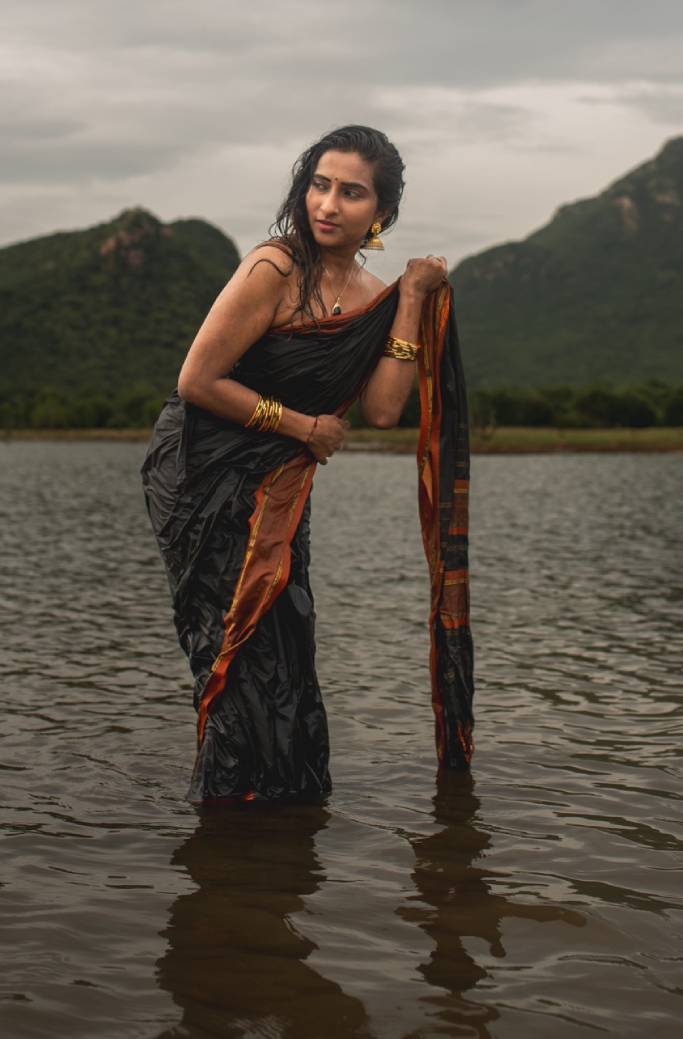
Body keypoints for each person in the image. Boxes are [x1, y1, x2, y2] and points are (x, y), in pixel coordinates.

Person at [142, 125, 473, 803]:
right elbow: (196, 381)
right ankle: (236, 824)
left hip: (282, 485)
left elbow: (383, 410)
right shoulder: (275, 266)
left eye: (351, 193)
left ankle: (281, 805)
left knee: (288, 638)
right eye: (319, 184)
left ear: (379, 214)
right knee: (240, 645)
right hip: (202, 470)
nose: (328, 204)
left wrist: (410, 299)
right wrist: (301, 425)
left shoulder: (375, 299)